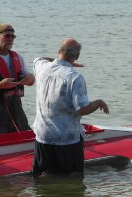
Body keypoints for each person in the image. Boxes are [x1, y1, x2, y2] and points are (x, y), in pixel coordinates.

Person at [32, 38, 109, 177]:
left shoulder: (42, 67)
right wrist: (98, 102)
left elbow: (39, 58)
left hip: (43, 136)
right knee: (72, 177)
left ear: (58, 51)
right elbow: (82, 109)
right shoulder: (74, 77)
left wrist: (61, 61)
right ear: (77, 56)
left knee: (45, 176)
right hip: (66, 139)